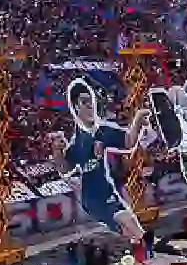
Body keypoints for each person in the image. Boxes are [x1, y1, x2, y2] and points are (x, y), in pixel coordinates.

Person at [56, 79, 150, 244]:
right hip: (93, 201)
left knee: (132, 230)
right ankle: (149, 252)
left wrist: (138, 121)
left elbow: (128, 142)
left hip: (109, 193)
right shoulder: (77, 143)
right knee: (132, 226)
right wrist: (56, 151)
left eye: (91, 101)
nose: (90, 106)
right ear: (75, 107)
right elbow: (65, 169)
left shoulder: (103, 131)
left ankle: (143, 257)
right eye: (84, 102)